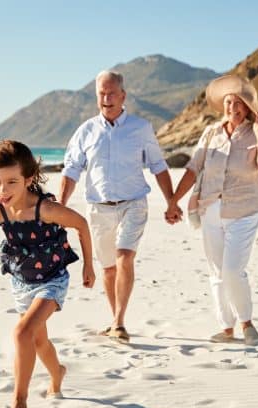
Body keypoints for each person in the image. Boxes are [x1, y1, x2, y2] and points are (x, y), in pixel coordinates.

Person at [0, 140, 95, 408]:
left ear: (29, 179)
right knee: (37, 341)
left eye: (12, 182)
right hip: (22, 283)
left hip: (52, 280)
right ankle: (57, 372)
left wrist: (88, 266)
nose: (3, 190)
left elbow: (82, 224)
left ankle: (19, 400)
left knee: (22, 333)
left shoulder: (45, 209)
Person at [59, 70, 180, 342]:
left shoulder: (141, 128)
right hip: (99, 209)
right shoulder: (86, 131)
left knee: (125, 256)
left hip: (133, 204)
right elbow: (71, 170)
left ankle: (119, 322)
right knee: (109, 268)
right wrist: (60, 206)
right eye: (102, 93)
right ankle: (116, 322)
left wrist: (171, 201)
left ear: (123, 96)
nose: (106, 98)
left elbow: (158, 166)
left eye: (112, 93)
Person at [171, 75, 258, 345]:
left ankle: (246, 322)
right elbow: (193, 168)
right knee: (217, 272)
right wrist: (174, 200)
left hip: (244, 209)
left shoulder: (257, 133)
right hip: (209, 208)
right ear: (223, 105)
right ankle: (226, 327)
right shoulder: (211, 133)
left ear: (248, 108)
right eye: (229, 102)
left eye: (239, 103)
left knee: (232, 270)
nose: (233, 107)